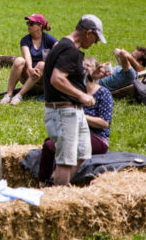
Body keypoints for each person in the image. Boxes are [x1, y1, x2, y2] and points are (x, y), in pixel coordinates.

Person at [42, 14, 106, 186]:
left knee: (83, 154)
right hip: (64, 111)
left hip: (73, 111)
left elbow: (70, 78)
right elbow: (57, 79)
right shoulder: (69, 49)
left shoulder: (67, 48)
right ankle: (58, 197)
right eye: (95, 39)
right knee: (66, 159)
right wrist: (82, 96)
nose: (95, 43)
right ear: (88, 33)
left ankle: (54, 186)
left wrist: (92, 76)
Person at [38, 57, 114, 183]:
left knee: (67, 145)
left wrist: (80, 116)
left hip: (96, 137)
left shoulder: (103, 93)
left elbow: (104, 123)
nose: (85, 67)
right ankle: (41, 183)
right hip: (72, 130)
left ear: (96, 71)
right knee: (49, 145)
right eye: (82, 65)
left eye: (88, 65)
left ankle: (55, 182)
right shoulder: (75, 92)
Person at [1, 13, 57, 105]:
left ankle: (19, 95)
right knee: (19, 60)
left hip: (43, 79)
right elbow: (27, 56)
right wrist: (30, 68)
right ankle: (9, 94)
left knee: (42, 64)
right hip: (29, 74)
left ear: (40, 26)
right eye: (28, 23)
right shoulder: (25, 40)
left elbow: (60, 49)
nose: (28, 25)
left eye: (31, 23)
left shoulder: (48, 38)